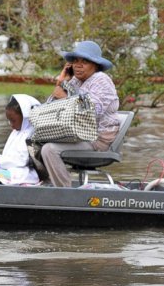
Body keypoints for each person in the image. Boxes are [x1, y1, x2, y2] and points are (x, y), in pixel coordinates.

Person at [41, 40, 120, 187]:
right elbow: (49, 111)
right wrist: (61, 81)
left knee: (49, 149)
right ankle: (44, 185)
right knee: (34, 142)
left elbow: (91, 112)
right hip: (76, 134)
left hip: (96, 139)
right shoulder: (75, 81)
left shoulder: (101, 80)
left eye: (84, 61)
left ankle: (64, 193)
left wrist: (65, 97)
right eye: (75, 61)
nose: (78, 65)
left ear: (95, 65)